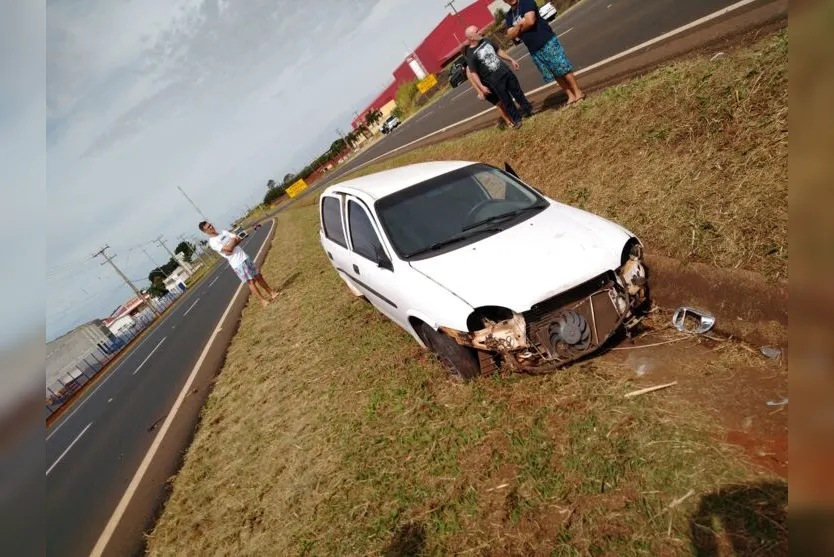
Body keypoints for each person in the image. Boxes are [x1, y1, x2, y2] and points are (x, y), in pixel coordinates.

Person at [505, 0, 585, 105]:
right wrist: (520, 25)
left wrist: (516, 29)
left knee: (562, 68)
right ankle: (570, 95)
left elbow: (530, 21)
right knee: (554, 72)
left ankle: (578, 92)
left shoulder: (526, 2)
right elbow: (511, 36)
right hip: (533, 49)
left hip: (546, 40)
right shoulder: (508, 15)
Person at [462, 25, 533, 129]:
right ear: (471, 38)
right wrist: (481, 87)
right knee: (506, 101)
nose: (480, 32)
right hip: (494, 80)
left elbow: (498, 51)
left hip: (506, 72)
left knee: (518, 92)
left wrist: (511, 60)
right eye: (477, 31)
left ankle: (528, 109)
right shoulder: (470, 54)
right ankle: (517, 120)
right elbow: (473, 73)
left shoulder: (486, 40)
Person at [199, 221, 279, 307]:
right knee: (251, 282)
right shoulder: (213, 242)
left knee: (258, 276)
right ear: (205, 231)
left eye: (210, 225)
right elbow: (229, 248)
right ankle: (262, 300)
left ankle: (272, 293)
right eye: (208, 227)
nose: (211, 227)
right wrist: (233, 241)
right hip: (237, 263)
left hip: (244, 257)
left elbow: (238, 239)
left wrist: (232, 244)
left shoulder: (223, 232)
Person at [459, 50, 514, 129]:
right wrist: (480, 92)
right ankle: (508, 122)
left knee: (504, 100)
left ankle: (512, 116)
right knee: (499, 104)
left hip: (492, 83)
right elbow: (473, 83)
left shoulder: (477, 59)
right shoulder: (468, 68)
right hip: (484, 88)